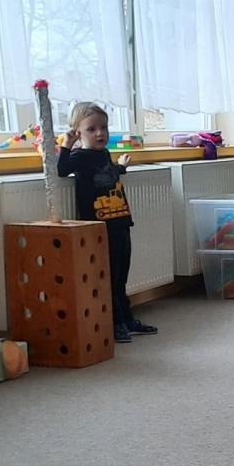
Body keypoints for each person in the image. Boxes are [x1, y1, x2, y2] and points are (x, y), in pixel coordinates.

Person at [58, 104, 156, 344]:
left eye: (103, 127)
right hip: (100, 226)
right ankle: (115, 322)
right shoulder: (79, 156)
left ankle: (127, 318)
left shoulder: (103, 154)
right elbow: (61, 170)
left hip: (120, 220)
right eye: (91, 129)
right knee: (109, 275)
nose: (100, 133)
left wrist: (120, 166)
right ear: (78, 133)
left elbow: (108, 173)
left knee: (122, 273)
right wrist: (66, 145)